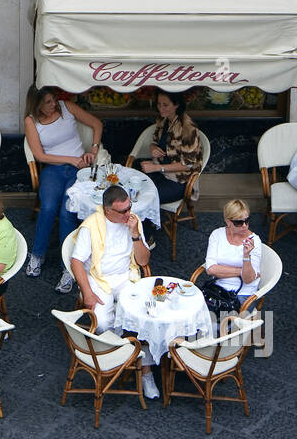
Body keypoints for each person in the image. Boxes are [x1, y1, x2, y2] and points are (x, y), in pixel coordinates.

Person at [69, 185, 157, 396]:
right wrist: (87, 292)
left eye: (129, 208)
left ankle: (146, 372)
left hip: (127, 276)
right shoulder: (91, 226)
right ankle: (121, 356)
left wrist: (135, 234)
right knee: (104, 321)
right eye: (123, 211)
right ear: (107, 210)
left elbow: (143, 260)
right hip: (99, 279)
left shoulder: (133, 222)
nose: (128, 214)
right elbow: (76, 262)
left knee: (145, 315)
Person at [23, 85, 103, 290]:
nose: (53, 105)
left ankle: (68, 267)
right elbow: (40, 155)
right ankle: (37, 255)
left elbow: (96, 124)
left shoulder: (66, 107)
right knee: (48, 207)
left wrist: (93, 151)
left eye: (53, 100)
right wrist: (71, 159)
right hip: (54, 170)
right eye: (47, 102)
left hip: (79, 171)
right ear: (36, 104)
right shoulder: (31, 121)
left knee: (67, 210)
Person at [137, 89, 202, 205]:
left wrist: (157, 168)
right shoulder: (163, 120)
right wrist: (153, 148)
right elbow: (155, 141)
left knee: (144, 197)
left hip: (178, 181)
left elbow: (188, 165)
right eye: (159, 104)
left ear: (176, 105)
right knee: (131, 181)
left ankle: (145, 222)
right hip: (161, 172)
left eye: (165, 105)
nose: (161, 108)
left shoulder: (187, 128)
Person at [203, 199, 262, 316]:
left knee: (218, 322)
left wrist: (246, 257)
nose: (244, 226)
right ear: (227, 221)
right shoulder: (217, 235)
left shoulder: (254, 241)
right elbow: (211, 269)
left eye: (247, 220)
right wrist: (240, 271)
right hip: (217, 288)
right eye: (239, 223)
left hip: (242, 294)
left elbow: (248, 279)